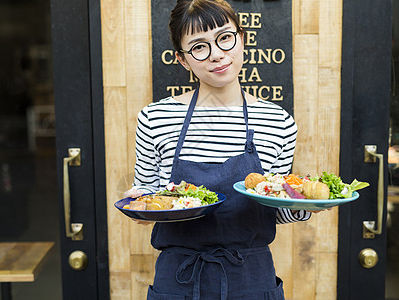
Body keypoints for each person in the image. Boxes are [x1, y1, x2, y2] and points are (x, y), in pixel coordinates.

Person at [124, 0, 313, 298]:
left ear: (242, 38)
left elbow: (274, 210)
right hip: (179, 278)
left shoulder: (278, 122)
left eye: (225, 38)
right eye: (199, 47)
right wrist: (139, 203)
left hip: (251, 277)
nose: (217, 55)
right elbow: (147, 195)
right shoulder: (155, 118)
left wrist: (302, 204)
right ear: (183, 60)